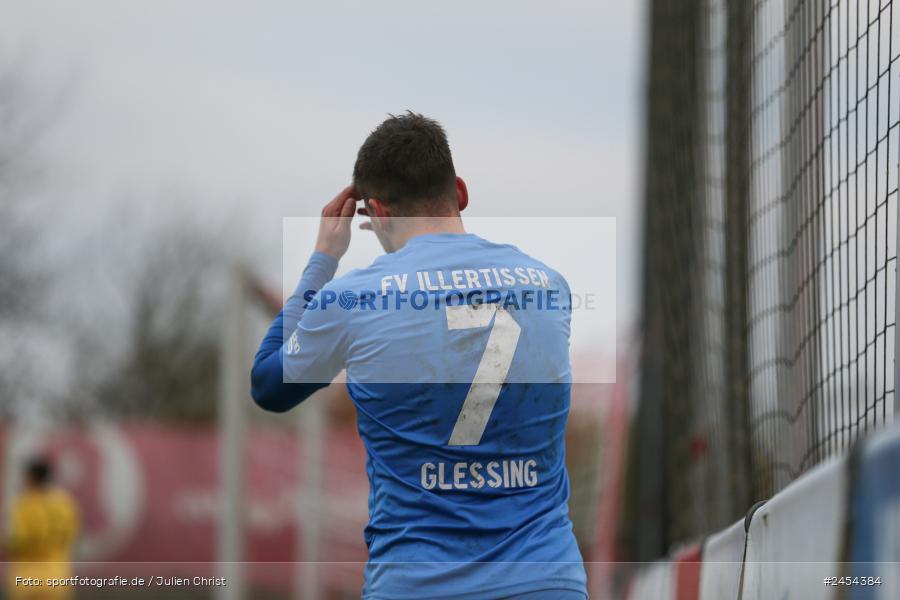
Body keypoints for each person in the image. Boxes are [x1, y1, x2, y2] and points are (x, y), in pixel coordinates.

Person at [251, 112, 587, 599]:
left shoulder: (353, 300)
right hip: (545, 584)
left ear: (377, 213)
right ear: (462, 192)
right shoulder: (549, 285)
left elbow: (269, 387)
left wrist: (323, 258)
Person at [5, 457, 80, 600]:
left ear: (32, 478)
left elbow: (19, 540)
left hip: (27, 578)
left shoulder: (26, 503)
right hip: (57, 577)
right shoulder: (65, 502)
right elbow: (72, 536)